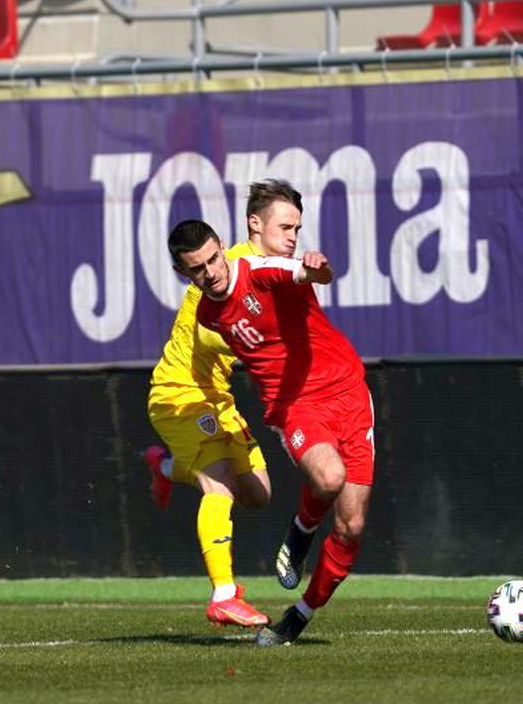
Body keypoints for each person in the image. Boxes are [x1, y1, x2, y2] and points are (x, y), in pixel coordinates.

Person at [168, 216, 375, 647]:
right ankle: (231, 584)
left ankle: (301, 612)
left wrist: (317, 269)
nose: (210, 273)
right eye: (197, 269)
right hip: (298, 404)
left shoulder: (256, 270)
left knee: (350, 525)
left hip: (350, 394)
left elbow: (301, 271)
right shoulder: (208, 314)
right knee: (326, 478)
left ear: (223, 247)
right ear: (183, 274)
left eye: (212, 259)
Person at [141, 179, 305, 630]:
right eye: (284, 227)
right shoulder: (220, 275)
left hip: (217, 396)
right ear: (257, 226)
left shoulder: (265, 272)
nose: (291, 237)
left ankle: (168, 467)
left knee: (258, 493)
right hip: (181, 393)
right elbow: (211, 332)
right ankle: (223, 594)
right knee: (221, 486)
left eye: (296, 228)